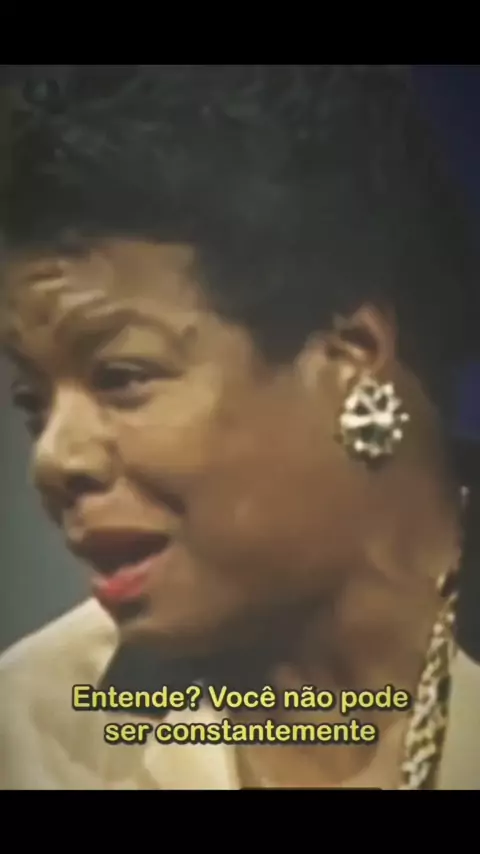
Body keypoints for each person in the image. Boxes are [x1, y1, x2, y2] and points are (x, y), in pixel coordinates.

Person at [0, 65, 479, 790]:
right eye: (32, 403)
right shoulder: (37, 726)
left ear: (349, 355)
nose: (53, 458)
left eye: (122, 376)